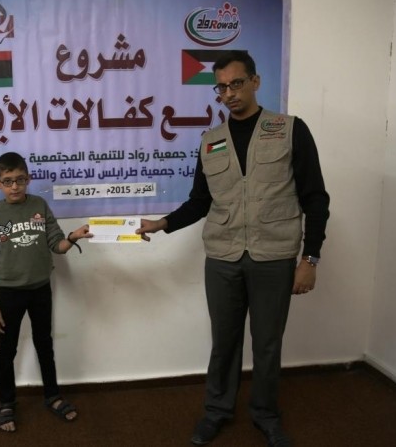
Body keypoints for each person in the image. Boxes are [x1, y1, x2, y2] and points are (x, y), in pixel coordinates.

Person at [137, 51, 330, 447]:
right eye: (222, 87)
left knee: (268, 344)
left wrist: (309, 258)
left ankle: (266, 414)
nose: (229, 93)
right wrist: (162, 224)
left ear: (255, 82)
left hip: (273, 257)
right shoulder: (211, 142)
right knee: (223, 343)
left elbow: (315, 198)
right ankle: (217, 411)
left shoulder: (290, 129)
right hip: (223, 258)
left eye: (236, 84)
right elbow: (199, 201)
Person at [0, 151, 92, 433]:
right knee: (7, 350)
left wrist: (72, 237)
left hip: (41, 289)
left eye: (20, 180)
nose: (15, 186)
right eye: (8, 181)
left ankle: (52, 396)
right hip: (9, 293)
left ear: (28, 179)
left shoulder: (39, 205)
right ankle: (6, 403)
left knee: (45, 344)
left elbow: (57, 245)